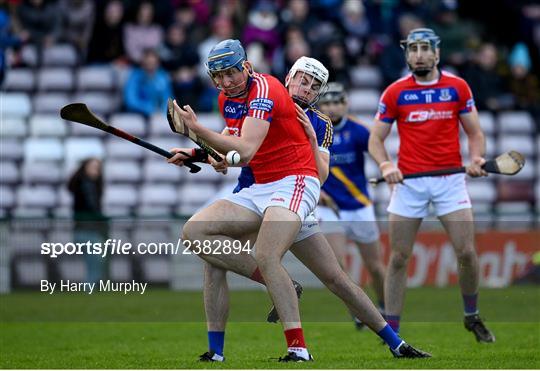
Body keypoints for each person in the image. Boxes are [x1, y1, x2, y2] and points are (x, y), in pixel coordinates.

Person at [168, 40, 430, 361]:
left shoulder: (306, 114)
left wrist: (197, 131)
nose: (305, 87)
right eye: (302, 79)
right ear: (290, 76)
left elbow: (307, 171)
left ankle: (306, 347)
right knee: (200, 237)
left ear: (247, 68)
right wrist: (198, 153)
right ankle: (217, 352)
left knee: (285, 261)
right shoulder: (233, 99)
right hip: (257, 189)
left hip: (294, 184)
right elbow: (234, 148)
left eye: (313, 84)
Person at [368, 28, 496, 343]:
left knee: (466, 252)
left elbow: (475, 134)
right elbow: (376, 139)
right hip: (409, 184)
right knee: (398, 257)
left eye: (425, 48)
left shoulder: (457, 87)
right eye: (413, 49)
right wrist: (386, 165)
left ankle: (471, 315)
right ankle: (393, 334)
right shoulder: (395, 92)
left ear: (437, 53)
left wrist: (477, 158)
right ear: (407, 54)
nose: (420, 55)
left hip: (449, 181)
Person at [316, 82, 386, 330]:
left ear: (345, 104)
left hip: (359, 206)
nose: (332, 108)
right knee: (338, 267)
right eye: (326, 103)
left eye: (337, 102)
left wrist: (386, 167)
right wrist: (318, 192)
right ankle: (358, 312)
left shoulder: (357, 130)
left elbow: (377, 149)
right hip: (328, 207)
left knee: (376, 267)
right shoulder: (311, 130)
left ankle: (386, 308)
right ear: (318, 105)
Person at [67, 158, 107, 284]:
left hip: (83, 230)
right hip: (87, 230)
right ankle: (89, 288)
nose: (96, 170)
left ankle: (90, 288)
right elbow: (92, 207)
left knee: (94, 262)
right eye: (93, 167)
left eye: (97, 167)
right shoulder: (87, 184)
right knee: (95, 262)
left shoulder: (84, 184)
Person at [123, 48, 172, 117]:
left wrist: (162, 112)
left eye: (153, 63)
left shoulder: (162, 77)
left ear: (157, 63)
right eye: (148, 63)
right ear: (143, 63)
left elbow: (168, 99)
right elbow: (130, 101)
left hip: (158, 114)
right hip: (137, 114)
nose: (150, 66)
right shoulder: (134, 76)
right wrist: (150, 110)